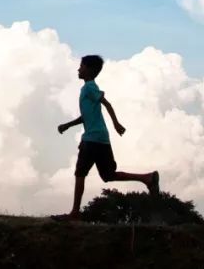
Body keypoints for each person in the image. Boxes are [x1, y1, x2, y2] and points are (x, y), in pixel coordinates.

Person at [56, 54, 158, 220]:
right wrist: (68, 125)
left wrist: (117, 123)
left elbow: (107, 103)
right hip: (101, 139)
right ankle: (147, 178)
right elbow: (87, 116)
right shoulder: (89, 89)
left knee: (80, 173)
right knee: (108, 175)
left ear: (89, 70)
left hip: (92, 139)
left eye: (81, 66)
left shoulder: (89, 88)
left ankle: (75, 213)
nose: (78, 69)